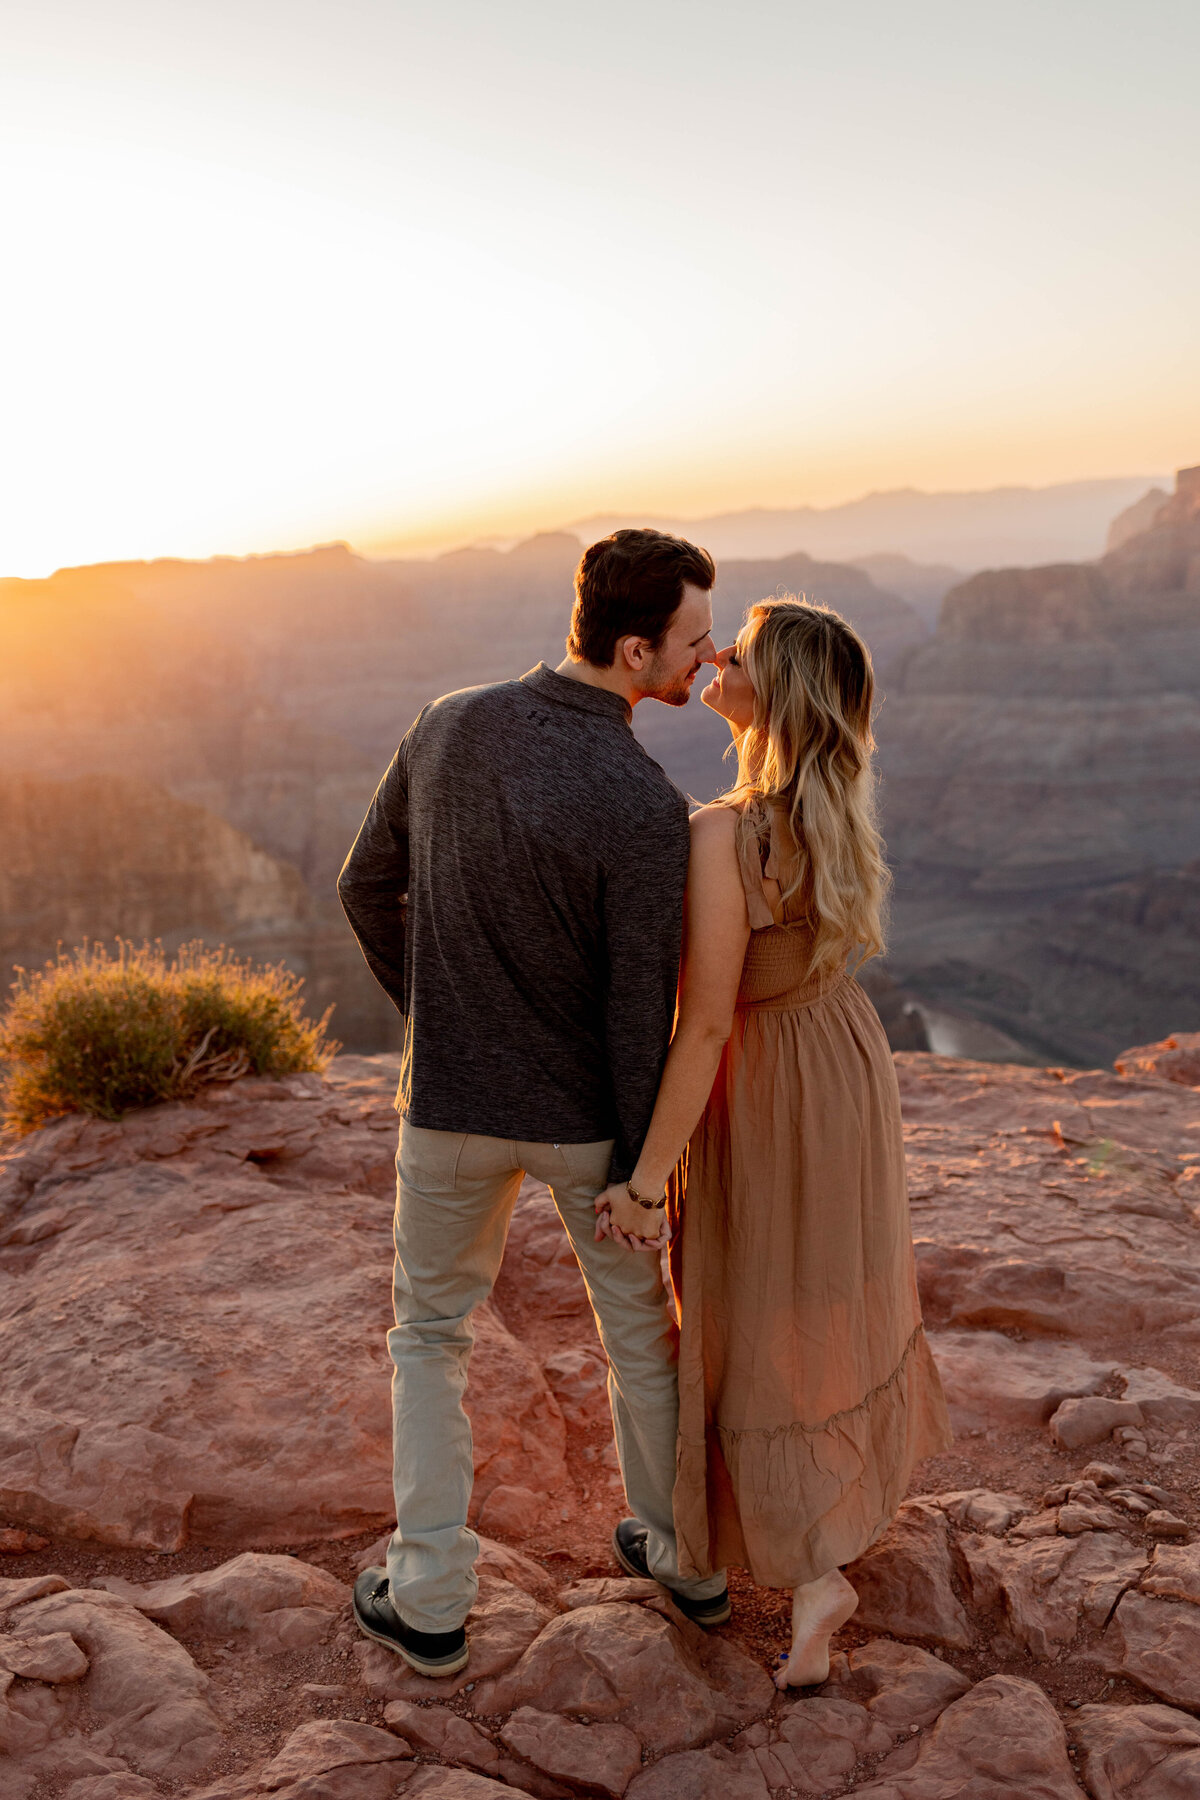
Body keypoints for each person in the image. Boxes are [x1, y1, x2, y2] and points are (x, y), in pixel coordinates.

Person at [337, 527, 729, 1678]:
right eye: (694, 642)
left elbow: (368, 889)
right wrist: (634, 1176)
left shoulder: (447, 722)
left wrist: (444, 1017)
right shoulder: (646, 805)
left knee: (429, 1337)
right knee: (641, 1343)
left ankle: (432, 1601)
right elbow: (631, 1008)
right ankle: (683, 1559)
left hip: (449, 1108)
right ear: (631, 646)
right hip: (586, 1123)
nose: (706, 663)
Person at [594, 596, 952, 1688]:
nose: (718, 661)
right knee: (829, 1287)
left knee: (759, 1305)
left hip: (769, 1084)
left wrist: (647, 1179)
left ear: (770, 694)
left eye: (736, 654)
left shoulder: (725, 832)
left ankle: (811, 1575)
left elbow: (705, 1020)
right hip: (843, 1058)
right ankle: (828, 1536)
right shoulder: (836, 800)